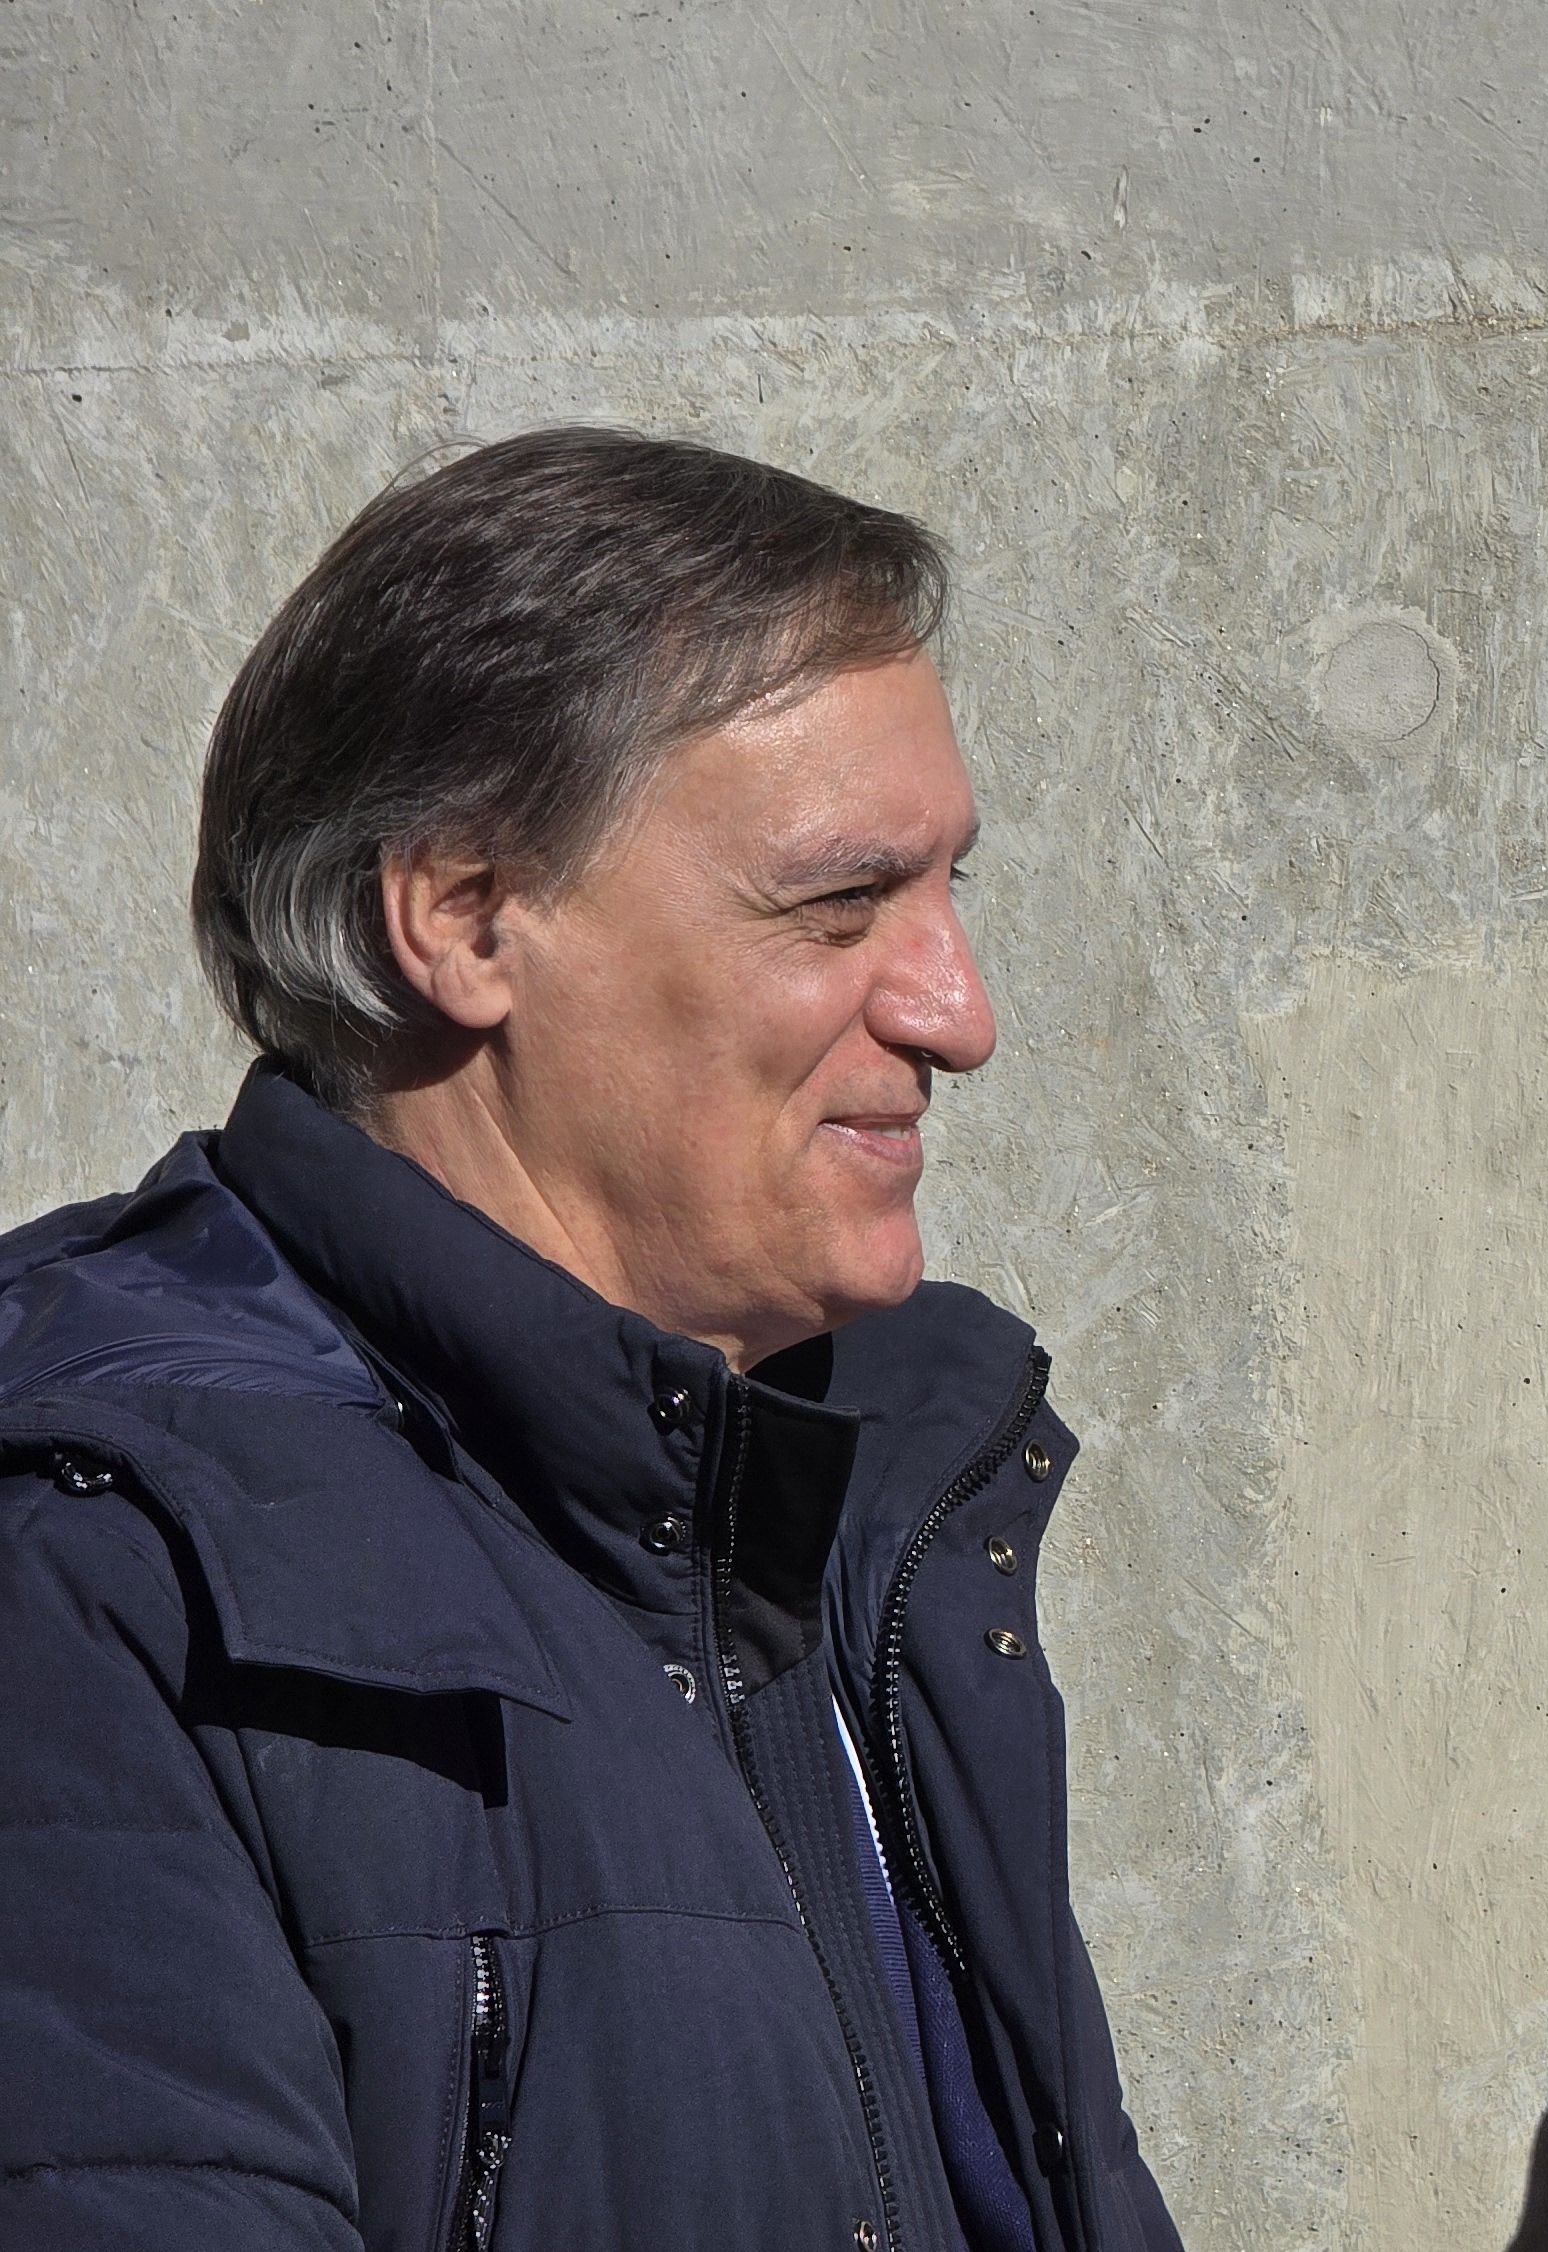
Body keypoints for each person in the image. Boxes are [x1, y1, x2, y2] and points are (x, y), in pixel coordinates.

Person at [0, 428, 1182, 2252]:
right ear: (467, 921)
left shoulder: (866, 1509)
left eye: (954, 892)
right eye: (841, 903)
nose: (961, 1013)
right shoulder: (94, 1563)